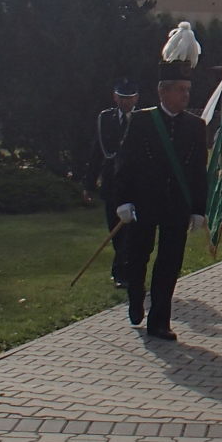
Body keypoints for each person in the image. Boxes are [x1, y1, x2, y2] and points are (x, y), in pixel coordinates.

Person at [114, 45, 208, 342]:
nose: (186, 95)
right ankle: (135, 295)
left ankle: (159, 321)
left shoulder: (196, 126)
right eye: (180, 89)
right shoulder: (142, 121)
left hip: (176, 206)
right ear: (162, 91)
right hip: (144, 202)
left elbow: (198, 170)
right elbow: (126, 163)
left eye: (188, 89)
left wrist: (198, 209)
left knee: (169, 263)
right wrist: (123, 200)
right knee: (138, 256)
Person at [83, 78, 139, 288]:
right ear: (115, 97)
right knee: (115, 230)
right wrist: (89, 185)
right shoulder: (105, 119)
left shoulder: (142, 120)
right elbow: (97, 153)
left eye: (130, 98)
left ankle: (125, 272)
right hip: (111, 185)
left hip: (134, 186)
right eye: (122, 97)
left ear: (136, 98)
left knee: (131, 232)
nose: (126, 102)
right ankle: (121, 271)